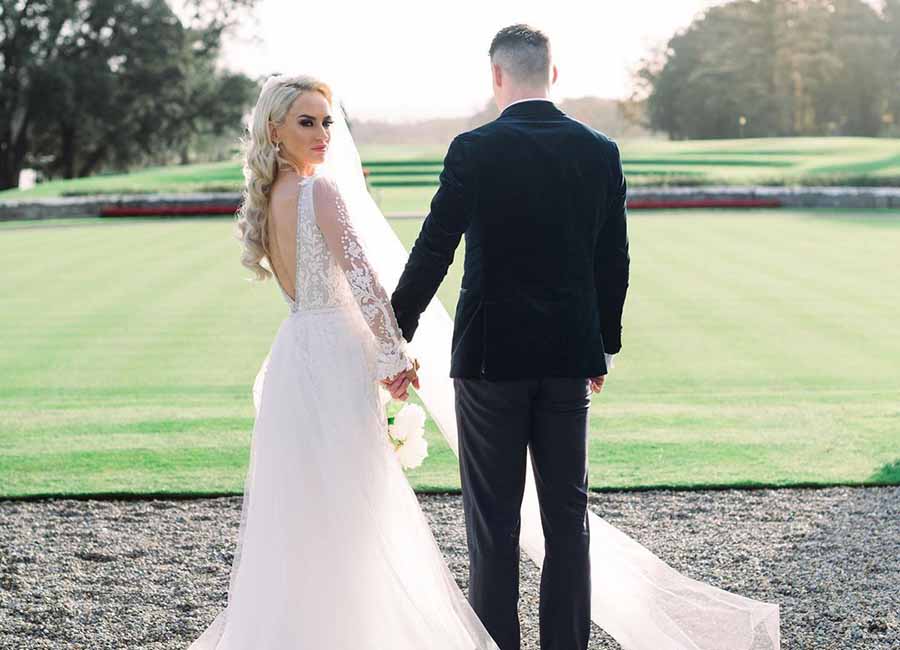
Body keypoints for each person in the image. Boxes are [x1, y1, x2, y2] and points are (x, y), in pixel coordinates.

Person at [391, 24, 780, 650]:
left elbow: (434, 248)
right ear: (554, 73)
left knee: (492, 525)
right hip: (569, 357)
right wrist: (603, 344)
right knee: (567, 520)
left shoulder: (473, 149)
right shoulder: (599, 150)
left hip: (490, 359)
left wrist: (394, 334)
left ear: (496, 77)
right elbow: (613, 260)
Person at [188, 74, 499, 649]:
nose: (323, 132)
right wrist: (394, 355)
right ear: (274, 130)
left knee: (307, 501)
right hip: (334, 353)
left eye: (327, 120)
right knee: (355, 503)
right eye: (307, 121)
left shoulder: (268, 196)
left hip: (295, 351)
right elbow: (365, 284)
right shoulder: (318, 192)